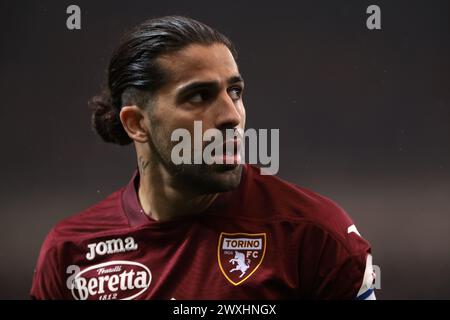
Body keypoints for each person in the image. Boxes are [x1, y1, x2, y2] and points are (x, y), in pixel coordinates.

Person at [30, 15, 375, 300]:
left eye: (234, 92)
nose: (231, 116)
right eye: (198, 96)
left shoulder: (314, 237)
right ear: (137, 123)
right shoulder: (71, 252)